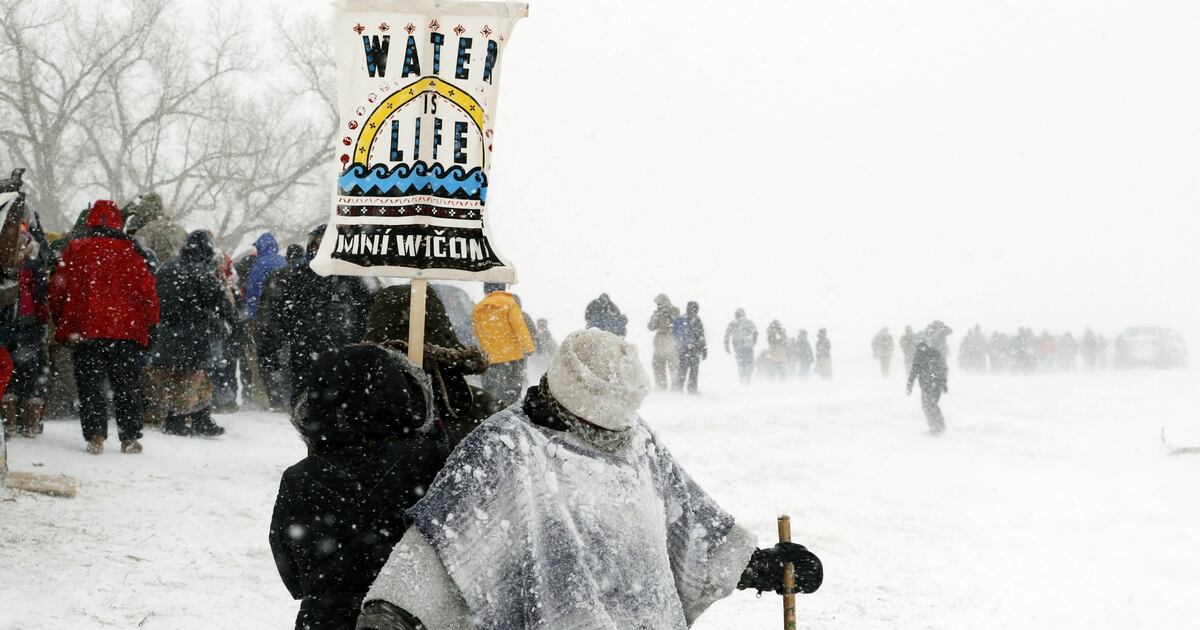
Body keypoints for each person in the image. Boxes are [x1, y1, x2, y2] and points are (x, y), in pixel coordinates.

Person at [356, 329, 823, 630]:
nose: (612, 435)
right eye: (602, 424)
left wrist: (758, 566)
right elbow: (444, 545)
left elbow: (688, 523)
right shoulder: (505, 445)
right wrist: (393, 613)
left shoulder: (637, 442)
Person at [270, 344, 448, 630]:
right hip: (412, 616)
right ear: (402, 392)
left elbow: (292, 575)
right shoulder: (432, 461)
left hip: (324, 621)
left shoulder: (299, 478)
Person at [49, 200, 159, 455]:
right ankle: (129, 437)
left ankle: (95, 435)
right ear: (117, 222)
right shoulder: (131, 252)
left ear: (91, 221)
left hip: (85, 331)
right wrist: (151, 324)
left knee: (89, 385)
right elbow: (147, 292)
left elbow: (58, 288)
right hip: (125, 332)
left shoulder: (75, 249)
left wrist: (62, 320)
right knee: (126, 385)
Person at [147, 231, 236, 437]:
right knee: (192, 377)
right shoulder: (202, 273)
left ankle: (199, 418)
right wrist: (227, 322)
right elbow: (222, 304)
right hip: (194, 334)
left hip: (167, 332)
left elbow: (154, 298)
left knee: (182, 376)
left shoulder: (166, 268)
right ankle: (178, 420)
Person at [273, 227, 373, 408]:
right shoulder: (301, 275)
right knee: (308, 407)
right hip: (307, 353)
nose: (316, 249)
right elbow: (283, 314)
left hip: (344, 354)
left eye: (321, 244)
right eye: (314, 244)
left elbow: (367, 312)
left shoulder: (353, 276)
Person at [2, 223, 52, 438]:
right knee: (29, 370)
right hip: (28, 321)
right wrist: (42, 319)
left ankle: (9, 420)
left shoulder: (4, 259)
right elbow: (41, 296)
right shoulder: (33, 263)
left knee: (6, 370)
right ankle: (30, 423)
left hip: (4, 321)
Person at [472, 283, 535, 407]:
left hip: (490, 358)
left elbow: (478, 333)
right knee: (512, 389)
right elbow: (519, 327)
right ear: (502, 287)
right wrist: (528, 347)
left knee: (492, 391)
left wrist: (486, 350)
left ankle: (493, 413)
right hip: (512, 356)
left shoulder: (478, 308)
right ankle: (510, 413)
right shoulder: (509, 303)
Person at [907, 321, 953, 435]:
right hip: (931, 383)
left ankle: (937, 428)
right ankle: (938, 427)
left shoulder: (925, 354)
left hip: (929, 383)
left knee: (929, 406)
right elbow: (942, 368)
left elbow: (915, 370)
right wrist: (942, 382)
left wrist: (910, 384)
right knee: (930, 406)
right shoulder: (933, 353)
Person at [672, 301, 707, 393]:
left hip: (682, 349)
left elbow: (674, 333)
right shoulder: (696, 320)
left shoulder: (680, 319)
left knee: (682, 369)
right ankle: (692, 389)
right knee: (693, 370)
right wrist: (704, 348)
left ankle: (678, 388)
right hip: (694, 349)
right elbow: (700, 335)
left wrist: (677, 346)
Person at [647, 294, 680, 390]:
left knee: (673, 366)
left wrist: (668, 315)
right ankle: (661, 385)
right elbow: (650, 327)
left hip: (671, 342)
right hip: (660, 342)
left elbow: (677, 324)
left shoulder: (674, 311)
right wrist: (656, 316)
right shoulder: (658, 313)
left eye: (659, 303)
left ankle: (675, 386)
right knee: (658, 364)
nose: (658, 305)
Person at [724, 308, 758, 384]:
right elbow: (755, 333)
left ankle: (742, 378)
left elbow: (727, 335)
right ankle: (747, 377)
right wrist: (753, 342)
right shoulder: (749, 322)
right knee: (749, 363)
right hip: (748, 346)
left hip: (738, 347)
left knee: (741, 363)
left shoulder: (732, 323)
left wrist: (726, 346)